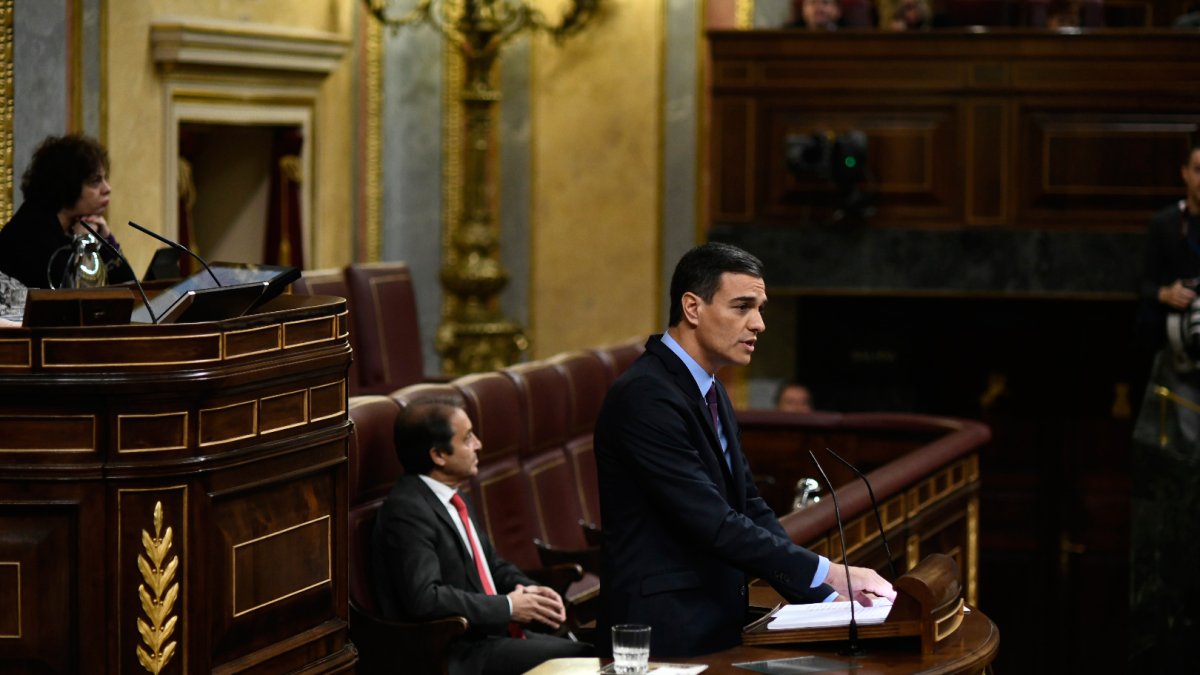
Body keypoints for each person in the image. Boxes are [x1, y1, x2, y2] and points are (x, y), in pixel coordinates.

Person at [594, 242, 895, 658]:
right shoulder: (646, 396)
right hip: (662, 633)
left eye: (761, 308)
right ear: (692, 308)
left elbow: (749, 506)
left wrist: (825, 599)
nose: (759, 324)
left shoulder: (710, 389)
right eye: (742, 307)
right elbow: (713, 522)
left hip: (713, 619)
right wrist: (831, 573)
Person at [371, 400, 593, 675]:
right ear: (438, 454)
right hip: (455, 650)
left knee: (588, 647)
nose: (478, 444)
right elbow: (426, 598)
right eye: (467, 439)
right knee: (581, 658)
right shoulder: (406, 510)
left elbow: (491, 565)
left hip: (490, 635)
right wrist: (509, 607)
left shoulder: (454, 496)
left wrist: (530, 590)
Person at [1130, 142, 1200, 671]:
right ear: (1184, 173)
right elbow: (1142, 290)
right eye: (1199, 170)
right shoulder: (1164, 227)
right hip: (1173, 378)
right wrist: (1164, 295)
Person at [0, 133, 133, 289]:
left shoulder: (72, 227)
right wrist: (84, 244)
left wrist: (107, 241)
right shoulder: (31, 231)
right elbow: (77, 300)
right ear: (67, 184)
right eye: (96, 181)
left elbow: (130, 290)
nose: (107, 188)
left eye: (105, 179)